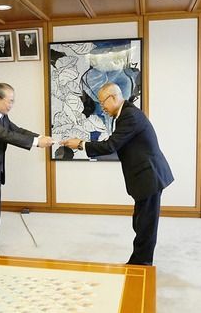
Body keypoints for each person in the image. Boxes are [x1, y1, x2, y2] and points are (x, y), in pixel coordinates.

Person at [60, 82, 173, 265]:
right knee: (140, 222)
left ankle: (141, 265)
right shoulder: (125, 114)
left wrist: (81, 144)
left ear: (113, 97)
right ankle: (140, 261)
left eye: (102, 102)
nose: (102, 107)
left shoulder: (129, 116)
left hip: (149, 176)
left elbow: (111, 145)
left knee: (146, 225)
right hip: (145, 176)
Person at [0, 83, 53, 254]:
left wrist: (41, 137)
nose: (12, 105)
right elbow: (5, 135)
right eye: (10, 101)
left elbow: (17, 130)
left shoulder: (1, 115)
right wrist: (37, 143)